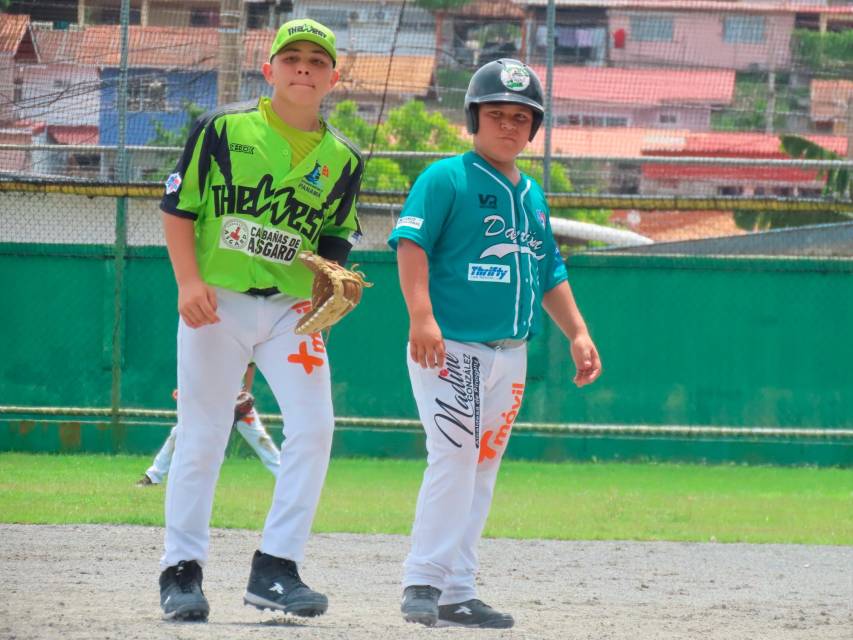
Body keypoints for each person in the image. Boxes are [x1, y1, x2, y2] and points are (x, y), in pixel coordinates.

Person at [157, 18, 363, 623]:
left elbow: (334, 239)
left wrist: (327, 293)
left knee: (315, 427)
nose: (304, 67)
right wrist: (188, 282)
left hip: (289, 315)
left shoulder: (343, 159)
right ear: (268, 70)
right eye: (292, 57)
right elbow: (179, 208)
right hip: (216, 302)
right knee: (202, 434)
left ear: (333, 78)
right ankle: (180, 572)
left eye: (317, 61)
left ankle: (276, 567)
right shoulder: (222, 129)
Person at [387, 58, 602, 628]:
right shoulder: (446, 177)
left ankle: (458, 589)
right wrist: (422, 316)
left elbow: (550, 268)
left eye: (520, 116)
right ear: (473, 119)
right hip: (451, 346)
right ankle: (422, 580)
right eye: (496, 114)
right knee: (455, 458)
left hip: (512, 354)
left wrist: (577, 331)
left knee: (481, 468)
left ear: (533, 128)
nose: (508, 125)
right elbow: (411, 245)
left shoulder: (532, 195)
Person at [136, 363, 279, 486]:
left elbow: (250, 364)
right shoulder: (210, 337)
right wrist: (187, 390)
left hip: (236, 399)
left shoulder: (241, 335)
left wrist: (245, 392)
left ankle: (286, 480)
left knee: (261, 440)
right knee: (179, 432)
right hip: (210, 400)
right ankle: (153, 476)